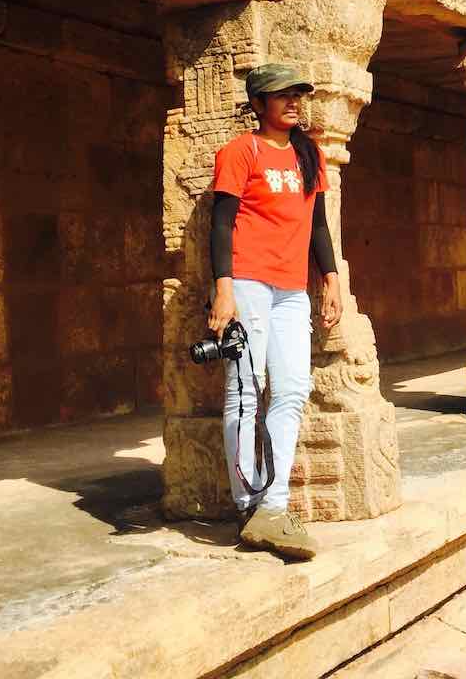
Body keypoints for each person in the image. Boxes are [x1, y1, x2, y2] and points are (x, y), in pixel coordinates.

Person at [207, 63, 342, 560]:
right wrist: (224, 290)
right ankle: (249, 504)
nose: (292, 103)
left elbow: (319, 227)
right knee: (245, 389)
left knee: (290, 391)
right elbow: (221, 225)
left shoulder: (310, 154)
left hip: (291, 289)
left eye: (297, 96)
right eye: (281, 96)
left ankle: (275, 503)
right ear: (259, 103)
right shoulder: (241, 152)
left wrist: (331, 279)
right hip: (247, 283)